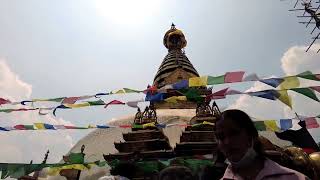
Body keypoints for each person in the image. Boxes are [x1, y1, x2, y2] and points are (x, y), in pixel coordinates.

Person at [215, 109, 309, 180]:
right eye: (221, 137)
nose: (227, 142)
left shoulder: (293, 178)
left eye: (234, 133)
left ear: (251, 136)